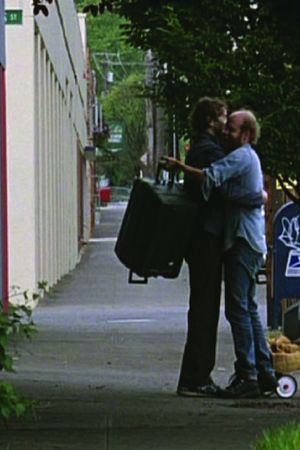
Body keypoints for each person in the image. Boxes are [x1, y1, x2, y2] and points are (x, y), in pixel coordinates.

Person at [164, 110, 277, 399]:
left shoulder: (240, 156)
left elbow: (210, 177)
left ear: (246, 134)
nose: (226, 131)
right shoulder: (247, 156)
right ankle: (263, 370)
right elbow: (232, 190)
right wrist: (256, 197)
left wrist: (180, 166)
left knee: (238, 309)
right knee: (248, 308)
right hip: (249, 241)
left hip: (241, 242)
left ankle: (249, 374)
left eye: (232, 127)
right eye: (225, 125)